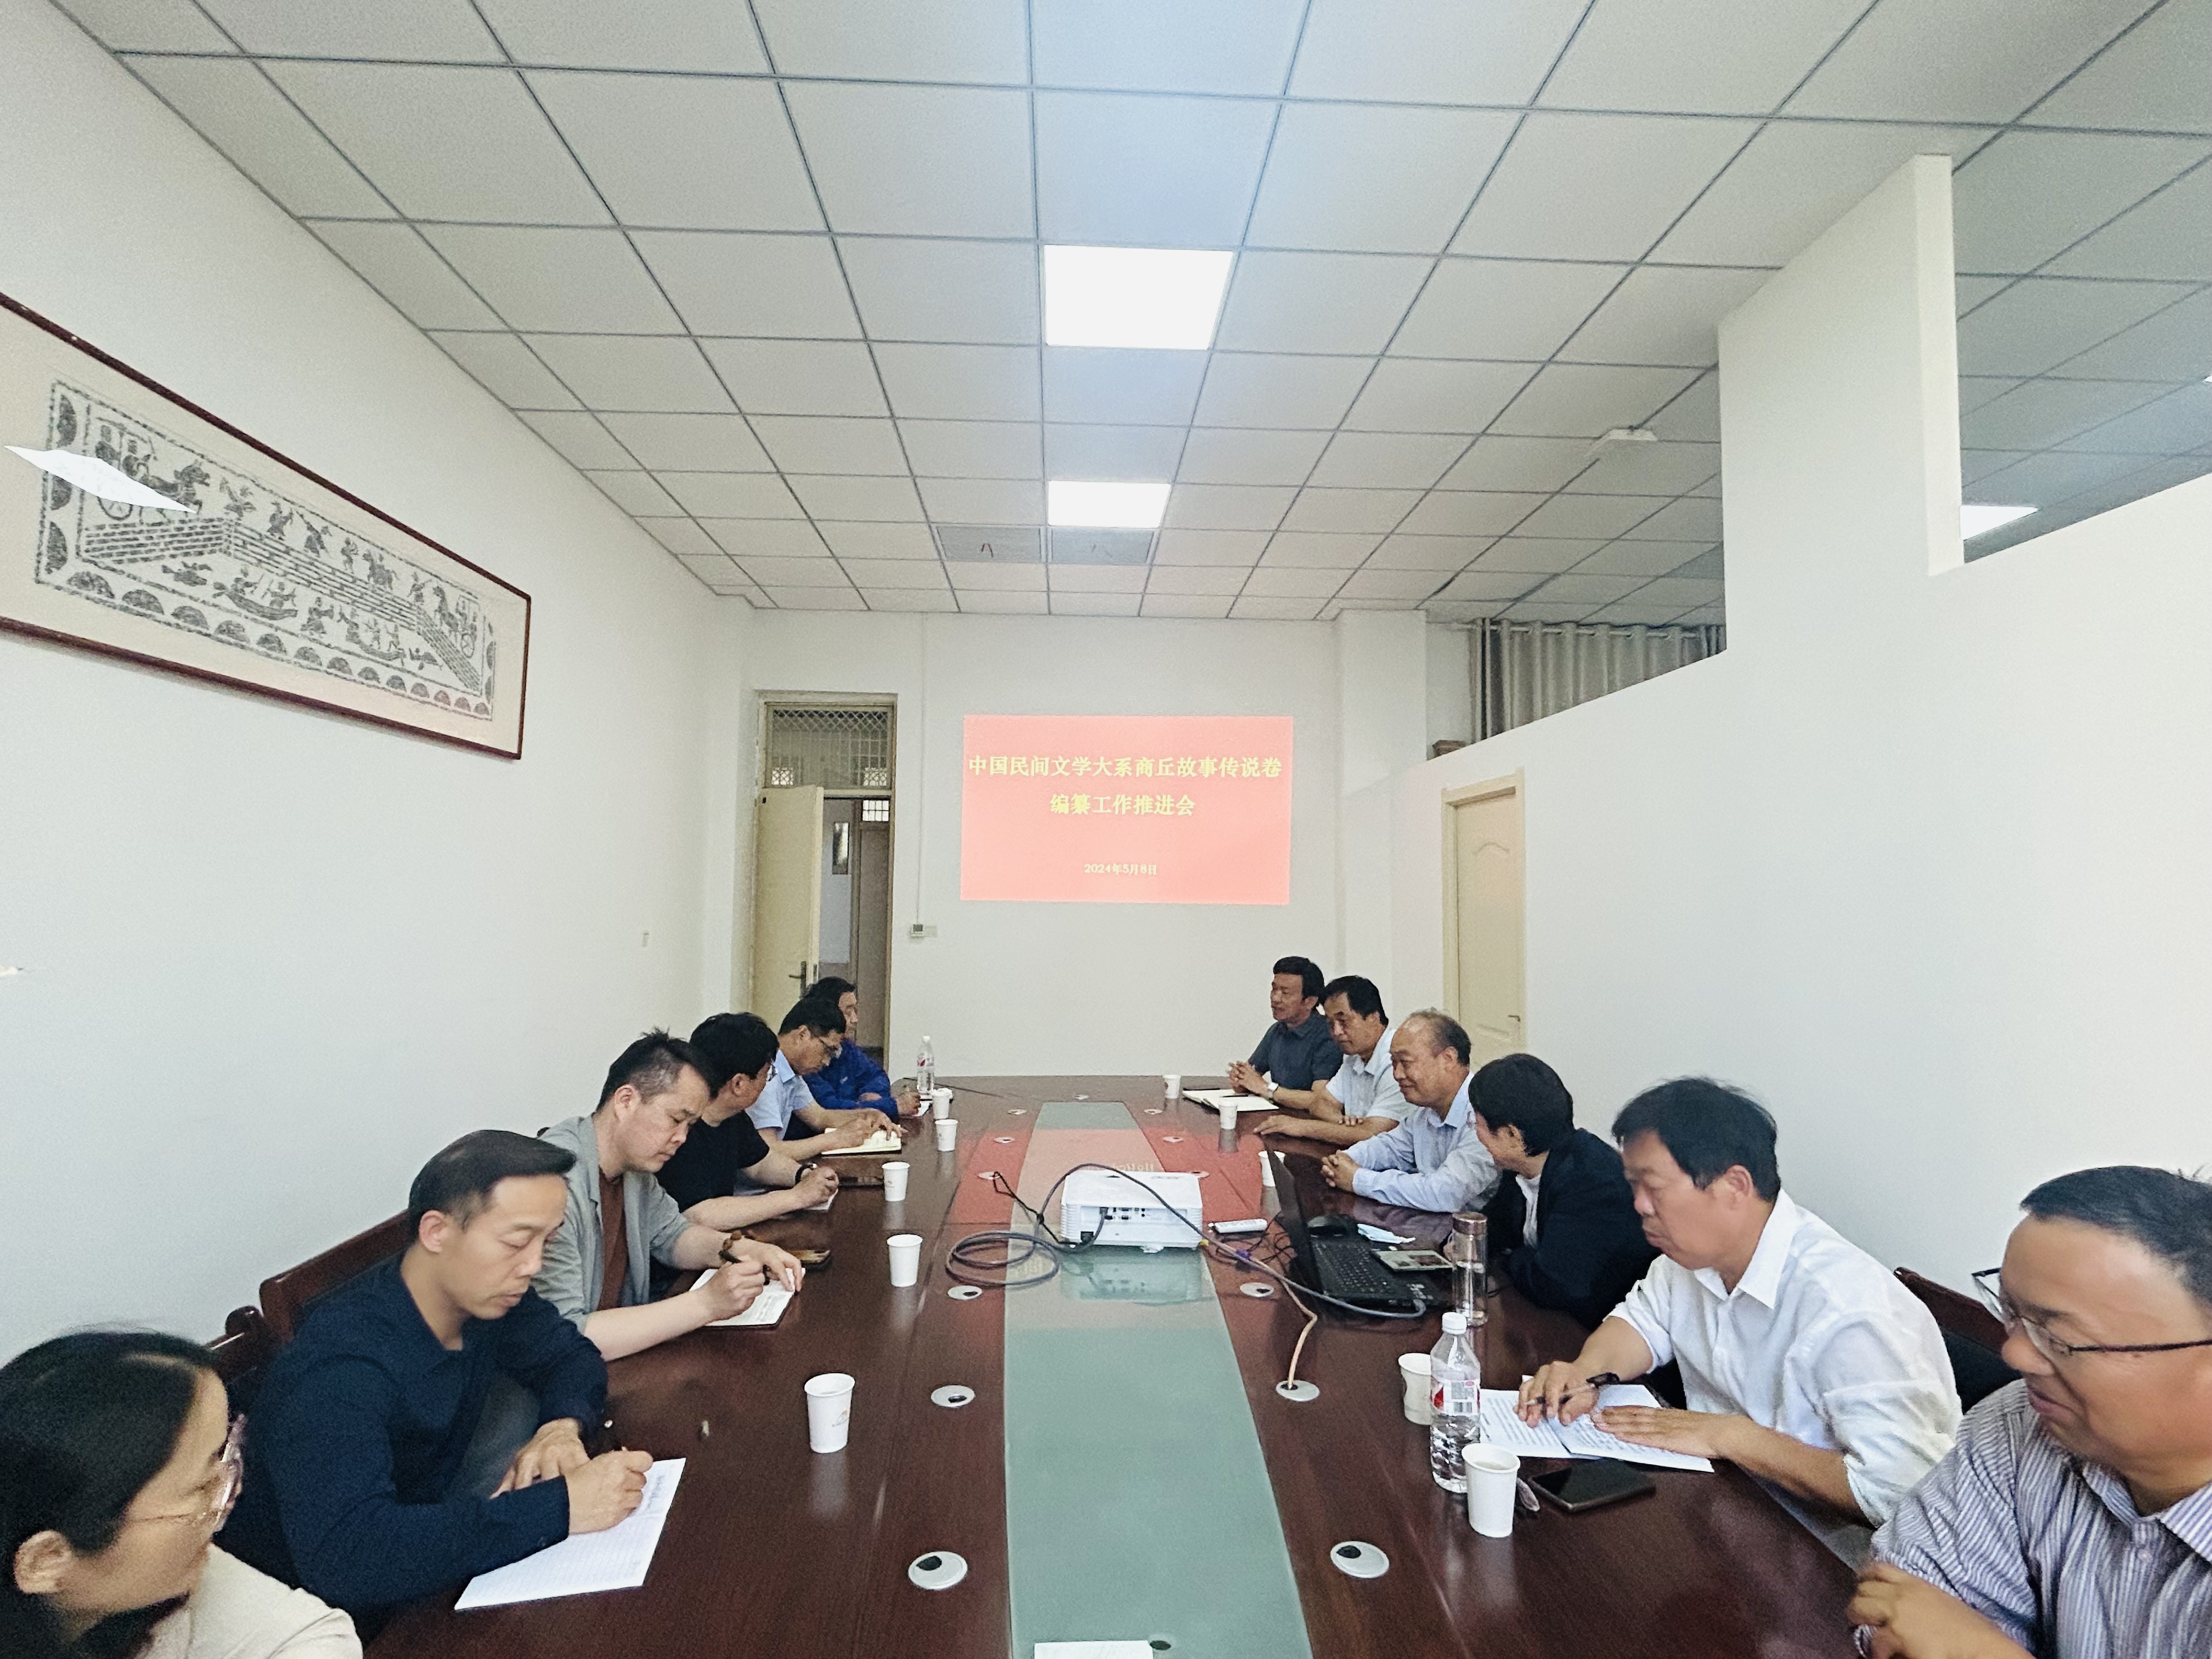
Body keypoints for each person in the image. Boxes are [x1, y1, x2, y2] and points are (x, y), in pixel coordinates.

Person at [222, 1131, 654, 1620]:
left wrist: (560, 1427)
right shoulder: (340, 1367)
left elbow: (570, 1356)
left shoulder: (483, 1296)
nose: (533, 1266)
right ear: (436, 1232)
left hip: (426, 1560)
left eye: (547, 1241)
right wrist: (563, 1507)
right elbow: (350, 1555)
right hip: (325, 1620)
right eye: (517, 1242)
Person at [1520, 1078, 1957, 1553]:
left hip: (1826, 1559)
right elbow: (1640, 1323)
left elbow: (1900, 1492)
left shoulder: (1849, 1310)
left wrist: (1733, 1436)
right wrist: (1585, 1373)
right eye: (1634, 1186)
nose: (1639, 1206)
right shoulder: (1687, 1262)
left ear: (1734, 1186)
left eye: (1653, 1188)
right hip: (1720, 1515)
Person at [1852, 1165, 2212, 1659]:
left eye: (2060, 1336)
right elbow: (1897, 1612)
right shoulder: (2024, 1422)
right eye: (2011, 1313)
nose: (2015, 1355)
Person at [2, 1330, 358, 1659]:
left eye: (224, 1456)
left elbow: (313, 1634)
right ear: (46, 1561)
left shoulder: (169, 1580)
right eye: (202, 1488)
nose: (229, 1495)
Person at [535, 1030, 803, 1361]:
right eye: (676, 1120)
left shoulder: (634, 1168)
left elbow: (673, 1235)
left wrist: (741, 1249)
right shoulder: (553, 1185)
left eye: (689, 1126)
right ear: (626, 1101)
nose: (681, 1138)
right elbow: (565, 1335)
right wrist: (707, 1303)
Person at [1471, 1053, 1656, 1327]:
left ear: (1512, 1135)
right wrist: (1464, 1243)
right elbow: (1492, 1229)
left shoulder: (1592, 1181)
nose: (1475, 1132)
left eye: (1477, 1123)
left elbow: (1555, 1285)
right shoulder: (1522, 1166)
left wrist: (1510, 1257)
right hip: (1550, 1318)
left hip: (1599, 1328)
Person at [658, 1012, 844, 1217]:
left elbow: (761, 1163)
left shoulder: (733, 1116)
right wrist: (797, 1197)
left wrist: (804, 1174)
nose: (767, 1082)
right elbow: (698, 1213)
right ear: (739, 1084)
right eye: (767, 1074)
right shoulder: (682, 1130)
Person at [1315, 1009, 1499, 1213]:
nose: (1397, 1074)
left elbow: (1444, 1193)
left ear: (1448, 1059)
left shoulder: (1485, 1114)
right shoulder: (1426, 1111)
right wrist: (1344, 1160)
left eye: (1405, 1063)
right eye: (1393, 1063)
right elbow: (1390, 1147)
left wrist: (1358, 1179)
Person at [1251, 975, 1409, 1148]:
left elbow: (1372, 1134)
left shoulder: (1398, 1060)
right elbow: (1320, 1104)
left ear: (1373, 1017)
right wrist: (1344, 1123)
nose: (1336, 1032)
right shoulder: (1354, 1057)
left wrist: (1302, 1126)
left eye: (1343, 1021)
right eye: (1331, 1023)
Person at [751, 1000, 895, 1160]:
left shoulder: (791, 1073)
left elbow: (820, 1117)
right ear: (802, 1035)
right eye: (827, 1050)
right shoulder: (766, 1075)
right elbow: (766, 1152)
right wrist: (835, 1139)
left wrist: (869, 1114)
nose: (826, 1062)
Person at [800, 977, 919, 1119]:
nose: (855, 1019)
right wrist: (892, 1106)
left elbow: (876, 1076)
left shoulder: (845, 1047)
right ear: (828, 1014)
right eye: (848, 1011)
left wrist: (872, 1093)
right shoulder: (808, 1059)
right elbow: (828, 1107)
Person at [1228, 956, 1341, 1096]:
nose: (1275, 998)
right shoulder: (1277, 1030)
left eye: (1285, 993)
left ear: (1310, 1002)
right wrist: (1240, 1079)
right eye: (1274, 989)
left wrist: (1267, 1088)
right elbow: (1251, 1076)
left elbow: (1320, 1099)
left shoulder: (1328, 1036)